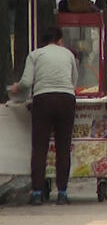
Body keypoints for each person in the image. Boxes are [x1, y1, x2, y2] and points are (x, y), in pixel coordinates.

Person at [10, 27, 78, 205]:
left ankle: (37, 193)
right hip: (66, 100)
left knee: (40, 147)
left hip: (43, 100)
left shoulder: (35, 55)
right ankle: (62, 193)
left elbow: (26, 82)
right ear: (60, 40)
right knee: (63, 147)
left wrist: (17, 88)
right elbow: (74, 81)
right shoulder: (68, 54)